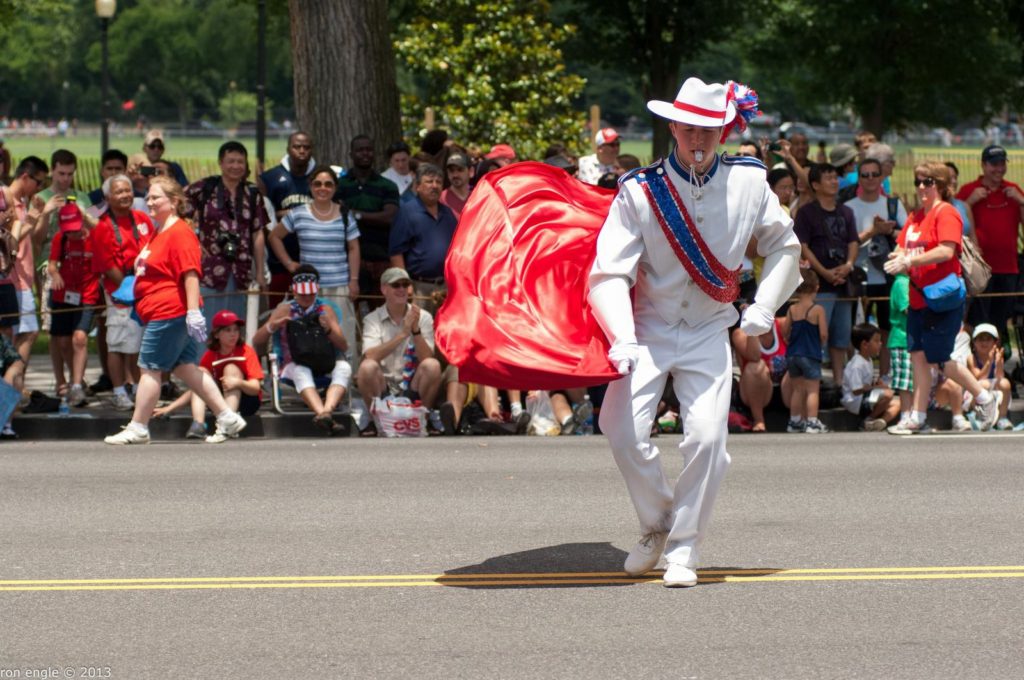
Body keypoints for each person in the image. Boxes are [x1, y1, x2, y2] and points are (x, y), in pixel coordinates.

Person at [586, 77, 800, 587]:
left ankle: (684, 548)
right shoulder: (640, 190)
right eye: (687, 128)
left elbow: (785, 248)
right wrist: (621, 334)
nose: (697, 139)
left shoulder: (751, 182)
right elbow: (608, 271)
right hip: (646, 326)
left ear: (724, 130)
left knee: (707, 438)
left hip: (708, 328)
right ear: (672, 127)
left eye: (708, 129)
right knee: (619, 429)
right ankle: (658, 520)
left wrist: (765, 307)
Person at [104, 176, 246, 445]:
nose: (149, 202)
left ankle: (139, 426)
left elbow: (190, 274)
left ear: (174, 201)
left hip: (169, 311)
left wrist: (192, 311)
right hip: (163, 309)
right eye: (148, 197)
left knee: (149, 369)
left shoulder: (179, 232)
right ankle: (227, 417)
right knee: (185, 369)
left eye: (156, 197)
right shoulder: (161, 230)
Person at [883, 161, 1001, 434]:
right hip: (918, 298)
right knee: (918, 357)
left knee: (940, 358)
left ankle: (985, 398)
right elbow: (901, 245)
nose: (922, 187)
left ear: (942, 185)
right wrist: (897, 256)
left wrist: (908, 261)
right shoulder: (915, 216)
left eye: (928, 182)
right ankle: (917, 416)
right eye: (918, 182)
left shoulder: (947, 213)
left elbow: (947, 251)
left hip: (943, 298)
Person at [269, 166, 360, 357]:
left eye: (328, 184)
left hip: (339, 286)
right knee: (309, 337)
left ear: (334, 188)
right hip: (307, 289)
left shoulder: (344, 214)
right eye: (317, 183)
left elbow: (353, 248)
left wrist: (353, 280)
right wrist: (289, 264)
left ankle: (343, 381)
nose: (323, 188)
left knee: (341, 335)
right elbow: (274, 237)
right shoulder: (298, 213)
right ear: (310, 186)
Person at [254, 265, 352, 435]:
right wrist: (273, 325)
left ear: (317, 290)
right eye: (302, 293)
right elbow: (256, 341)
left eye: (310, 293)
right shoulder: (284, 309)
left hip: (323, 361)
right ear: (293, 290)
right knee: (301, 370)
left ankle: (326, 412)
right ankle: (324, 414)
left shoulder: (326, 310)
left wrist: (328, 329)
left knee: (344, 368)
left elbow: (343, 346)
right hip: (293, 363)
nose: (306, 297)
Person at [184, 141, 269, 327]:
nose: (236, 166)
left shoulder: (252, 193)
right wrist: (195, 247)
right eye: (231, 161)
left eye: (240, 162)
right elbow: (181, 219)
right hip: (208, 269)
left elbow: (258, 233)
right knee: (206, 327)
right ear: (220, 163)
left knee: (235, 326)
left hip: (241, 270)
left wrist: (260, 272)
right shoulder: (203, 189)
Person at [91, 174, 155, 410]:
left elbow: (153, 249)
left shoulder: (141, 219)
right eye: (119, 192)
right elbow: (108, 266)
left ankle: (138, 387)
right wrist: (130, 288)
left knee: (138, 343)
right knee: (117, 343)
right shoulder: (103, 227)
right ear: (108, 197)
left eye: (128, 190)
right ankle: (118, 390)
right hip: (120, 293)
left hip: (144, 290)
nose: (125, 195)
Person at [794, 163, 859, 387]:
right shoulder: (806, 213)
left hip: (843, 283)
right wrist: (824, 272)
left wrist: (849, 265)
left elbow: (853, 241)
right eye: (828, 178)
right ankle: (815, 380)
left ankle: (839, 382)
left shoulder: (847, 211)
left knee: (841, 337)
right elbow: (803, 245)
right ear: (815, 184)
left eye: (835, 178)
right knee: (816, 334)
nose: (834, 182)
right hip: (819, 285)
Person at [356, 267, 443, 435]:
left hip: (412, 385)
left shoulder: (423, 316)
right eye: (396, 285)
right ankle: (376, 422)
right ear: (384, 289)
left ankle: (422, 420)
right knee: (367, 367)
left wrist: (415, 330)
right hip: (384, 387)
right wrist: (403, 334)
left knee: (432, 366)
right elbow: (370, 355)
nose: (402, 289)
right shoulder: (372, 319)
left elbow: (427, 357)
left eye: (405, 284)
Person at [155, 310, 264, 439]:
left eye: (236, 330)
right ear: (217, 334)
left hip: (247, 402)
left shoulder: (246, 351)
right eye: (228, 330)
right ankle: (198, 424)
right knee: (201, 373)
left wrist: (238, 383)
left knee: (231, 368)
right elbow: (197, 388)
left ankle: (229, 425)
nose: (233, 334)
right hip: (218, 403)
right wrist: (169, 409)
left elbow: (256, 388)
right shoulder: (210, 355)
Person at [956, 145, 1024, 349]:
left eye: (1002, 164)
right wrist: (969, 202)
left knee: (1001, 320)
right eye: (994, 164)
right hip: (979, 269)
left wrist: (1021, 201)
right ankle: (977, 365)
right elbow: (955, 223)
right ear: (983, 165)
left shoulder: (1013, 190)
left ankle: (999, 361)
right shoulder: (969, 190)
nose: (999, 169)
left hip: (1008, 267)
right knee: (979, 320)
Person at [846, 156, 908, 376]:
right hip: (858, 277)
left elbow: (908, 236)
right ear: (858, 178)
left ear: (882, 177)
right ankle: (854, 377)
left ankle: (884, 376)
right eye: (865, 175)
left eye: (875, 174)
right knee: (854, 331)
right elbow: (848, 242)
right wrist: (873, 231)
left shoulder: (893, 204)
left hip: (886, 276)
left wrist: (889, 231)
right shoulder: (849, 207)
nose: (870, 179)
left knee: (886, 330)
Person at [46, 202, 100, 407]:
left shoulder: (93, 237)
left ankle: (76, 385)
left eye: (76, 230)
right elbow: (51, 264)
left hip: (87, 295)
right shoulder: (60, 240)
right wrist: (55, 273)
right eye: (69, 231)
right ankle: (67, 380)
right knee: (62, 342)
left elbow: (103, 234)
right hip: (62, 296)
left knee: (79, 338)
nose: (73, 235)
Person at [389, 164, 458, 316]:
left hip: (446, 286)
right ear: (418, 186)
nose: (434, 186)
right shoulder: (407, 212)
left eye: (438, 182)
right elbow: (396, 253)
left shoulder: (448, 213)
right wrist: (404, 283)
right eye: (429, 181)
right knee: (419, 331)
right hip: (419, 286)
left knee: (443, 333)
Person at [335, 135, 400, 295]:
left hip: (381, 257)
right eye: (360, 150)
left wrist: (355, 214)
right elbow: (336, 217)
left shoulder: (387, 185)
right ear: (351, 154)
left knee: (382, 310)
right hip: (349, 260)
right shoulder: (339, 186)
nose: (365, 154)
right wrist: (374, 216)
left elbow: (389, 218)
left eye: (369, 150)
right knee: (352, 312)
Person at [260, 131, 316, 305]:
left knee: (311, 311)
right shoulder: (270, 178)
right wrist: (282, 214)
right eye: (296, 146)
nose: (301, 151)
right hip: (279, 261)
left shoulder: (321, 179)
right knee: (277, 312)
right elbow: (263, 216)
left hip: (313, 258)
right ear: (288, 149)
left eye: (306, 147)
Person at [784, 269, 829, 433]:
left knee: (797, 389)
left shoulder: (792, 309)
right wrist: (820, 343)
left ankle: (795, 421)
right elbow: (823, 333)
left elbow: (785, 331)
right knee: (812, 390)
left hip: (793, 354)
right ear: (816, 287)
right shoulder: (817, 310)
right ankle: (812, 422)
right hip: (810, 353)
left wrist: (789, 341)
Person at [732, 313, 791, 432]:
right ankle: (759, 420)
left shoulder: (783, 325)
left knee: (799, 366)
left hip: (784, 389)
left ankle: (799, 418)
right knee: (756, 367)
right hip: (754, 392)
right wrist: (753, 328)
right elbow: (754, 356)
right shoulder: (740, 333)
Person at [841, 323, 899, 430]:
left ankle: (880, 422)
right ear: (865, 344)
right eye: (876, 341)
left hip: (863, 397)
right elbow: (856, 390)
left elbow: (867, 384)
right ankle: (868, 420)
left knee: (897, 403)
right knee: (888, 395)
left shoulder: (869, 360)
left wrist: (877, 384)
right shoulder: (857, 364)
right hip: (854, 401)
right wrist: (876, 388)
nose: (881, 344)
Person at [965, 323, 1014, 430]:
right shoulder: (971, 358)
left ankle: (1002, 418)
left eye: (988, 339)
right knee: (983, 384)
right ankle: (978, 417)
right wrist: (989, 362)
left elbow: (999, 377)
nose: (984, 342)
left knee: (1005, 383)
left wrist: (998, 363)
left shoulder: (998, 356)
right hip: (975, 391)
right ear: (974, 342)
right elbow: (978, 378)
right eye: (980, 339)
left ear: (995, 342)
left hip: (992, 390)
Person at [440, 152, 472, 219]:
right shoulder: (441, 199)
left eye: (460, 170)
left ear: (471, 171)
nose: (455, 175)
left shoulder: (478, 196)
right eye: (451, 171)